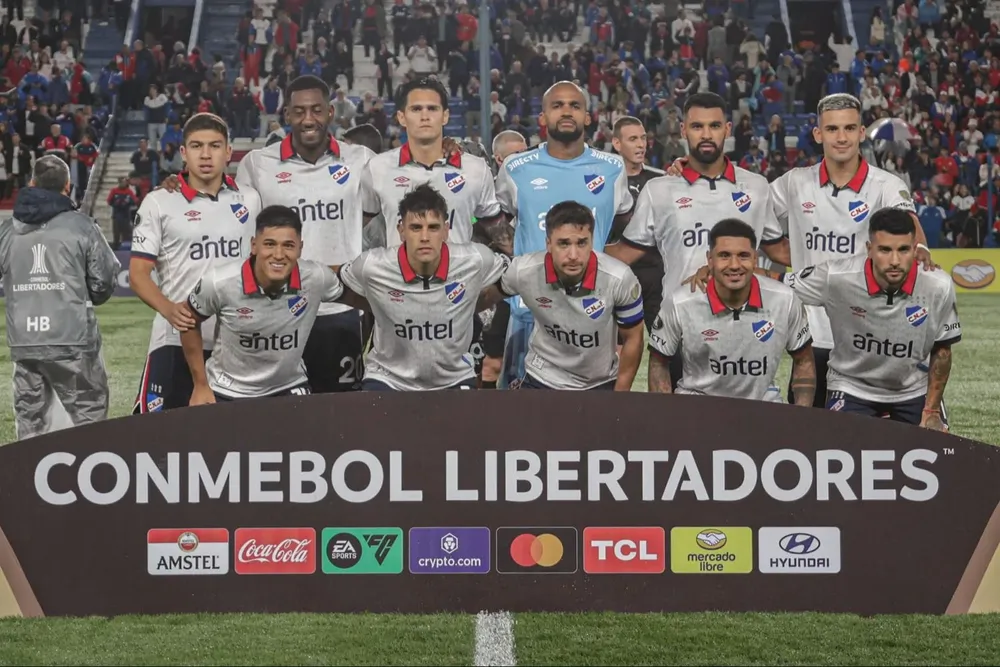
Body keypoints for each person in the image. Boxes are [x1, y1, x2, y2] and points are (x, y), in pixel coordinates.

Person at [664, 93, 936, 408]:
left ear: (862, 133)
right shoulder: (794, 184)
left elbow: (912, 231)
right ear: (819, 135)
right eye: (832, 130)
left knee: (871, 440)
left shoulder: (886, 186)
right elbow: (742, 208)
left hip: (867, 334)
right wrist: (689, 175)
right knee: (811, 437)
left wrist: (918, 248)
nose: (842, 137)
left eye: (849, 128)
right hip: (813, 334)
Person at [606, 93, 787, 389]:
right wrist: (572, 250)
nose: (706, 134)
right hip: (680, 326)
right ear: (683, 131)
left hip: (746, 327)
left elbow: (778, 249)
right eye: (697, 126)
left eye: (714, 125)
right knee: (677, 427)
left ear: (727, 129)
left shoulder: (756, 187)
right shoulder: (659, 189)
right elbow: (626, 252)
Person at [234, 75, 377, 395]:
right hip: (277, 310)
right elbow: (243, 235)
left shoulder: (360, 160)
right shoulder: (257, 164)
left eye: (316, 110)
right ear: (286, 114)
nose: (308, 119)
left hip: (340, 309)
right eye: (299, 111)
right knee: (278, 418)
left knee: (340, 415)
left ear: (330, 112)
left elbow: (382, 206)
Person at [492, 80, 635, 389]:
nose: (566, 111)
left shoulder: (612, 168)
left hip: (592, 315)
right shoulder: (516, 167)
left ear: (588, 117)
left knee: (590, 424)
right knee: (520, 425)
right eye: (557, 106)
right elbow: (493, 221)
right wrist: (517, 264)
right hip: (528, 311)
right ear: (543, 117)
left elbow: (623, 223)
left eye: (575, 105)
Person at [130, 113, 263, 413]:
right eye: (196, 146)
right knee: (156, 439)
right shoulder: (160, 201)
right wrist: (170, 311)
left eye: (215, 146)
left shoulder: (250, 199)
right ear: (183, 153)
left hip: (235, 341)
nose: (205, 154)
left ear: (228, 152)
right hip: (174, 339)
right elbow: (138, 275)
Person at [779, 208, 959, 431]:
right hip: (852, 385)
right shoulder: (836, 277)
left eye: (903, 250)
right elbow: (777, 285)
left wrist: (931, 411)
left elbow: (942, 352)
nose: (894, 260)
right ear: (869, 250)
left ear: (915, 250)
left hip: (913, 389)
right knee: (844, 454)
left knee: (937, 453)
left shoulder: (938, 285)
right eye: (884, 250)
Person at [337, 184, 510, 391]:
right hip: (388, 379)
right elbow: (330, 283)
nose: (425, 237)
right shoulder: (371, 265)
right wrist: (376, 304)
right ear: (401, 230)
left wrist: (474, 303)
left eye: (433, 227)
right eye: (416, 228)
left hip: (455, 378)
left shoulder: (477, 259)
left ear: (446, 231)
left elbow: (519, 276)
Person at [0, 155, 120, 439]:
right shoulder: (82, 226)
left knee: (31, 425)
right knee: (89, 420)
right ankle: (90, 478)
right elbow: (104, 282)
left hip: (25, 340)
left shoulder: (6, 230)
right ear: (68, 186)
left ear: (31, 183)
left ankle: (28, 481)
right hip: (73, 338)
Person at [180, 206, 348, 403]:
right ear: (254, 245)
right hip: (228, 389)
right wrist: (200, 385)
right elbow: (189, 320)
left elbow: (356, 297)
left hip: (289, 386)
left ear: (300, 248)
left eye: (288, 245)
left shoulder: (316, 277)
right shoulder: (219, 282)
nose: (278, 254)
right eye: (269, 244)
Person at [647, 219, 815, 403]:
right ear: (710, 260)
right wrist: (665, 417)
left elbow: (804, 360)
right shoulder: (680, 302)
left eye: (743, 256)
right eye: (724, 255)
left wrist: (801, 414)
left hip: (764, 410)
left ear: (755, 259)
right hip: (697, 410)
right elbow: (658, 363)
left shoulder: (785, 300)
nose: (734, 265)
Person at [486, 201, 645, 391]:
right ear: (548, 244)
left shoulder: (619, 278)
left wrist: (620, 396)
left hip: (599, 382)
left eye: (581, 243)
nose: (573, 255)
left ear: (592, 241)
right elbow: (484, 298)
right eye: (563, 243)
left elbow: (634, 337)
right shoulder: (524, 271)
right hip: (542, 378)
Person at [360, 77, 507, 248]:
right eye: (416, 109)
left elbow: (500, 233)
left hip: (458, 274)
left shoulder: (476, 168)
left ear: (445, 116)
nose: (425, 116)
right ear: (401, 117)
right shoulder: (376, 168)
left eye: (432, 108)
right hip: (398, 274)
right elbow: (352, 230)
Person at [478, 129, 529, 389]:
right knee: (491, 359)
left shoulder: (531, 191)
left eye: (526, 153)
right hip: (493, 285)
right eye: (517, 155)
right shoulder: (485, 194)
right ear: (499, 159)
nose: (524, 160)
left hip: (521, 282)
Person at [607, 116, 665, 332]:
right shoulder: (603, 182)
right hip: (618, 271)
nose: (641, 144)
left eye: (643, 138)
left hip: (656, 273)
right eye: (633, 139)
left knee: (666, 344)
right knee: (617, 344)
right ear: (617, 144)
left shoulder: (661, 181)